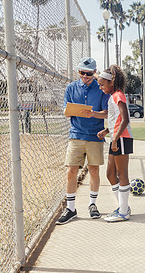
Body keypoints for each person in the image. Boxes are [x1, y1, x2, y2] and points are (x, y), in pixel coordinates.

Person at [57, 57, 110, 225]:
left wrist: (93, 114)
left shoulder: (100, 89)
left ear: (94, 72)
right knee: (71, 170)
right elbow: (66, 112)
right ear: (78, 72)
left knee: (94, 170)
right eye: (82, 73)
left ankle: (92, 204)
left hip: (95, 135)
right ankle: (71, 208)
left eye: (89, 73)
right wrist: (73, 111)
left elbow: (106, 113)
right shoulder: (71, 88)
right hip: (76, 134)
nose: (85, 76)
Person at [96, 65, 133, 222]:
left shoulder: (118, 95)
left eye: (102, 84)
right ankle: (122, 206)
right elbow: (116, 120)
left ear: (112, 82)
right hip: (117, 137)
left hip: (122, 138)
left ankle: (123, 212)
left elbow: (125, 120)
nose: (100, 87)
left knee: (121, 173)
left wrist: (115, 139)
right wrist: (107, 131)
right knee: (110, 173)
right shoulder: (113, 96)